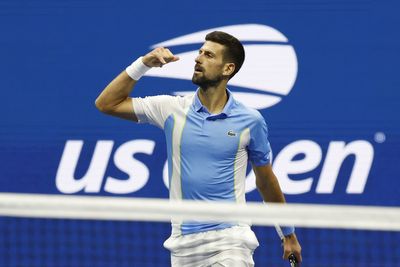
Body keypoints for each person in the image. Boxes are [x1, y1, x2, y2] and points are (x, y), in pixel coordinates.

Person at [95, 31, 302, 267]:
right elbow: (106, 103)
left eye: (209, 55)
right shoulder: (171, 109)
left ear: (228, 69)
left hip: (231, 239)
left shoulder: (250, 121)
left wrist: (288, 234)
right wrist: (143, 64)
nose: (198, 58)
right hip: (183, 245)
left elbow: (266, 181)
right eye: (200, 52)